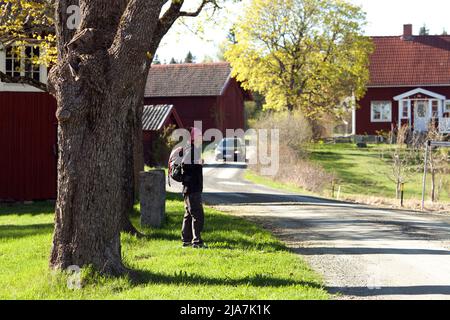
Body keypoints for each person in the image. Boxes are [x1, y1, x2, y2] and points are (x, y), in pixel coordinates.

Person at [181, 127, 206, 249]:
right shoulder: (192, 150)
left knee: (189, 215)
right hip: (192, 189)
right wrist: (198, 163)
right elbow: (186, 165)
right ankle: (197, 242)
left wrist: (198, 162)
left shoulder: (191, 149)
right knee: (198, 215)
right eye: (200, 136)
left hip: (188, 189)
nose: (201, 138)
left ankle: (186, 240)